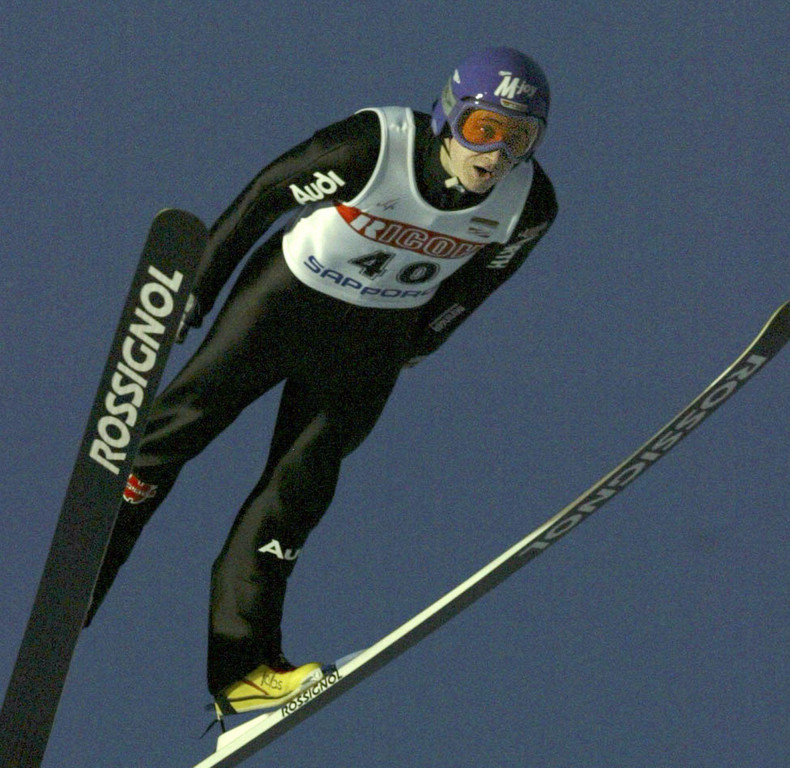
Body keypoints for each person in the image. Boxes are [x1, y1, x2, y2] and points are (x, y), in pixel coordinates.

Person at [85, 46, 558, 719]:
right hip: (285, 303)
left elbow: (480, 284)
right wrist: (197, 288)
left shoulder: (529, 204)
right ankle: (85, 572)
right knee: (179, 428)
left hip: (374, 338)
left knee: (298, 490)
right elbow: (263, 197)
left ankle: (244, 671)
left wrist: (421, 341)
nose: (497, 155)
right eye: (485, 129)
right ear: (449, 116)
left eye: (520, 138)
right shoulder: (373, 146)